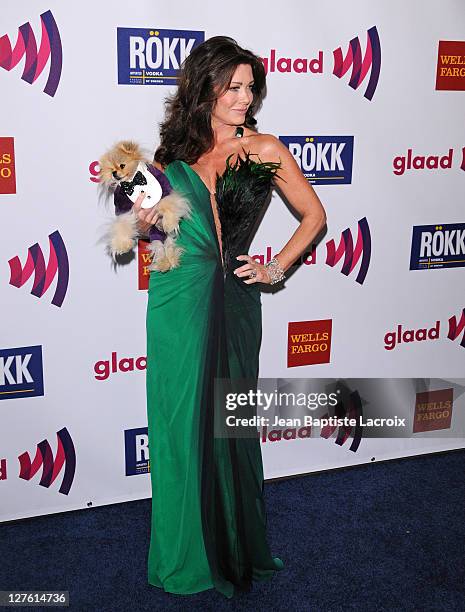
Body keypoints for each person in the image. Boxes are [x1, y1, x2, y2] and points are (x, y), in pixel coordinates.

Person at [131, 36, 326, 599]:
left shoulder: (263, 148)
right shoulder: (171, 162)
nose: (244, 97)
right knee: (177, 426)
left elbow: (314, 216)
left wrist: (275, 268)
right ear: (204, 89)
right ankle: (183, 554)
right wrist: (144, 218)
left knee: (229, 422)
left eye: (250, 87)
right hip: (178, 301)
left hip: (236, 302)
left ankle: (234, 546)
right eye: (232, 87)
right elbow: (152, 236)